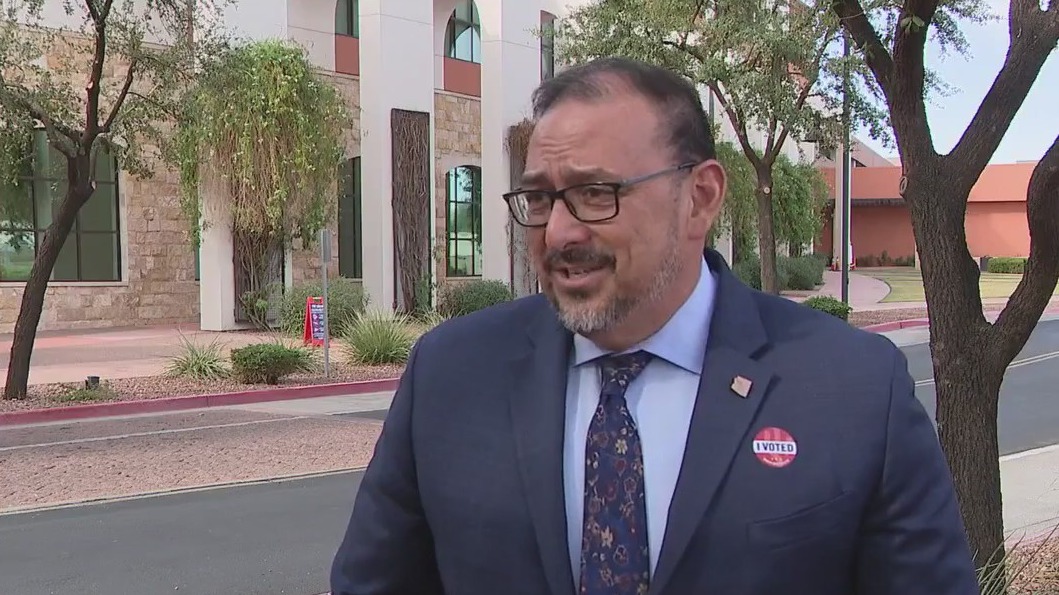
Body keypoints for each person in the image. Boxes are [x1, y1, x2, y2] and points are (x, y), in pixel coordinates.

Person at [330, 56, 979, 595]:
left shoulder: (853, 388)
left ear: (699, 197)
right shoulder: (450, 373)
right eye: (538, 198)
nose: (558, 232)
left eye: (594, 193)